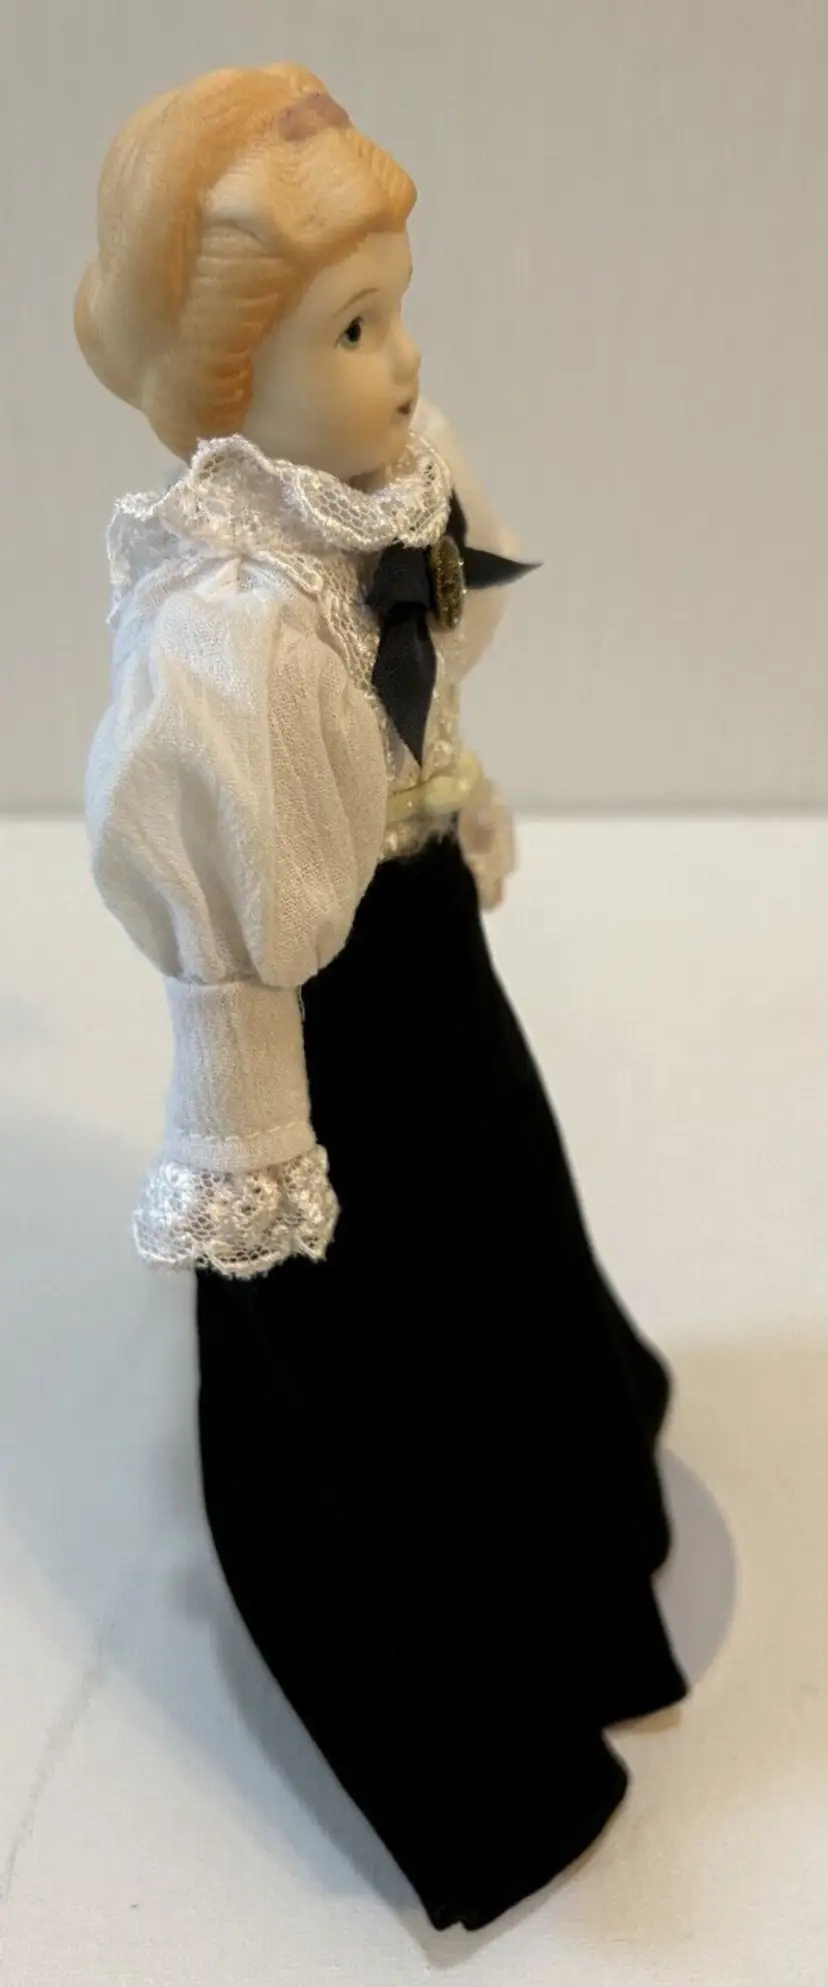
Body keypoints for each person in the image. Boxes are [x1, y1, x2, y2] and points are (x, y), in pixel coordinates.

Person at [76, 62, 688, 1933]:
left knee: (503, 1218)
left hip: (420, 953)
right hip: (316, 1031)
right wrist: (249, 1141)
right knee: (365, 1366)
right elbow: (237, 909)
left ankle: (572, 1534)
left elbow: (430, 676)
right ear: (226, 377)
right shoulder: (224, 642)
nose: (405, 361)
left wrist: (450, 794)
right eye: (354, 329)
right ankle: (458, 1715)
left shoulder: (373, 507)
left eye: (396, 312)